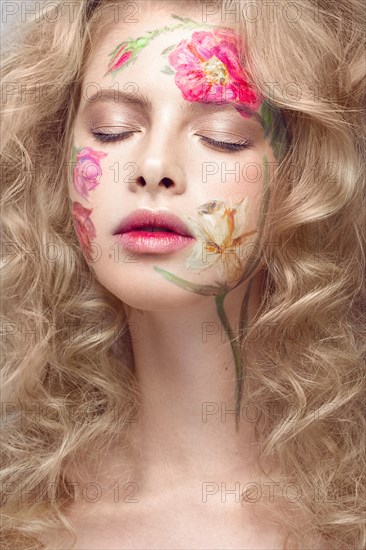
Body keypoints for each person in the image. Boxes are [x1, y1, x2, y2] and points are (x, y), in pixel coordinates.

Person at [1, 0, 365, 548]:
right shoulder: (21, 515)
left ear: (310, 179)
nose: (153, 167)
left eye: (224, 135)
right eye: (112, 129)